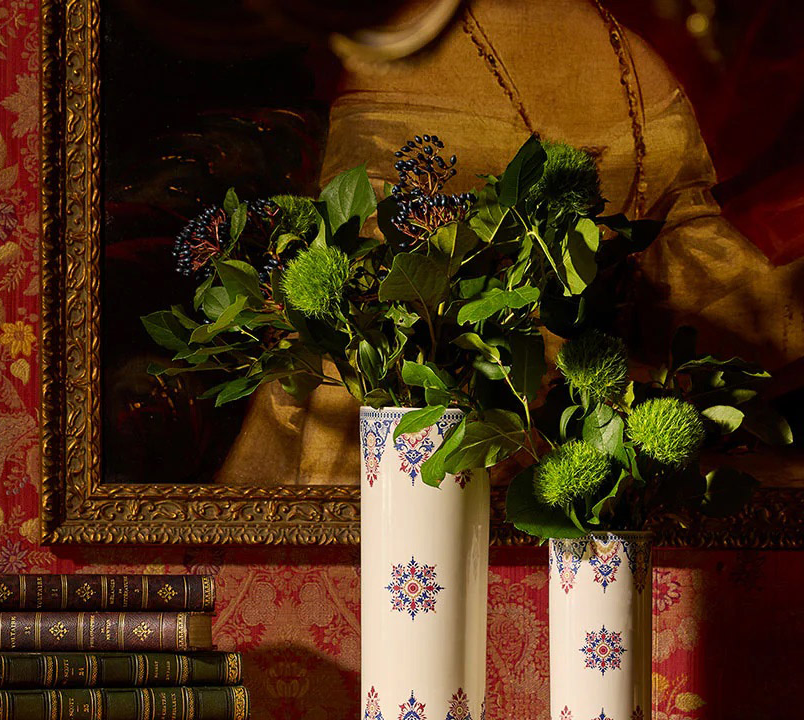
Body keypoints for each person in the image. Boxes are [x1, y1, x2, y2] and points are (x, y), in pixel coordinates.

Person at [215, 0, 804, 485]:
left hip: (605, 443)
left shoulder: (628, 52)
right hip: (440, 435)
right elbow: (381, 290)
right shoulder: (405, 50)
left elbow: (690, 259)